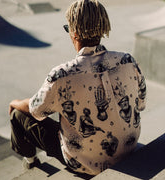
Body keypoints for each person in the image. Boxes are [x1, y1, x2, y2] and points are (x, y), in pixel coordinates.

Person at [9, 0, 146, 176]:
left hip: (84, 163)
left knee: (17, 115)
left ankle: (30, 161)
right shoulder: (128, 61)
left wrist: (16, 103)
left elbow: (36, 111)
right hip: (129, 148)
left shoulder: (62, 75)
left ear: (74, 33)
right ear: (103, 26)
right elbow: (141, 104)